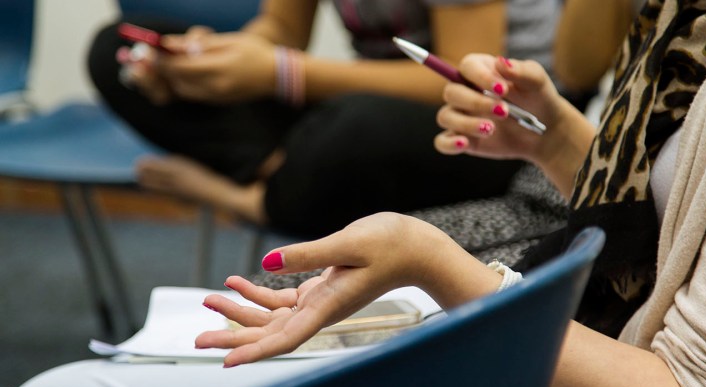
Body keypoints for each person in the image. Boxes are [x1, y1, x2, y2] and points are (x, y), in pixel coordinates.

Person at [2, 0, 706, 387]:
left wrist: (439, 269)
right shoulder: (697, 19)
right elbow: (684, 220)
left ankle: (258, 195)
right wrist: (552, 136)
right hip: (564, 367)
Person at [88, 0, 559, 237]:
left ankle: (251, 201)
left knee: (354, 129)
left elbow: (465, 77)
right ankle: (288, 179)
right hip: (374, 102)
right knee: (121, 53)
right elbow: (280, 32)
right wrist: (208, 60)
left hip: (503, 123)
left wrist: (283, 73)